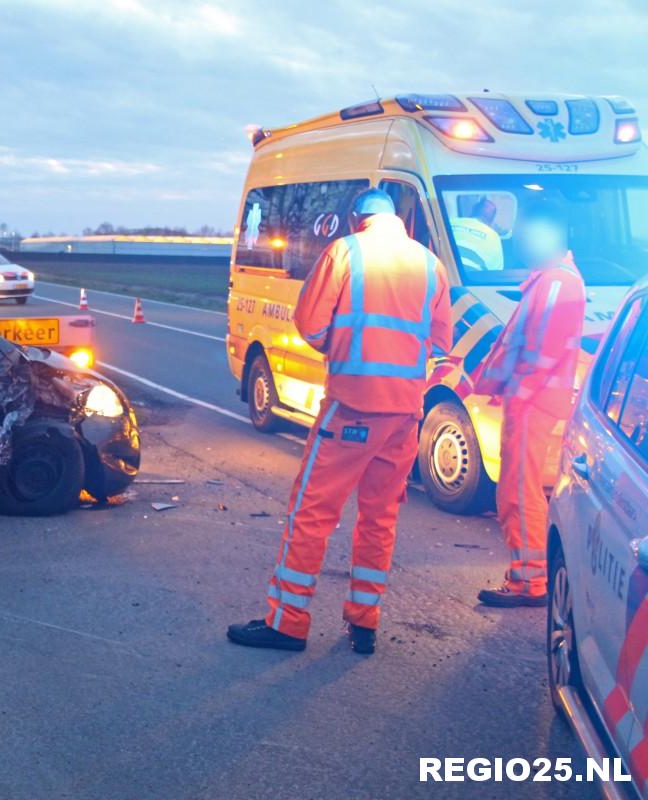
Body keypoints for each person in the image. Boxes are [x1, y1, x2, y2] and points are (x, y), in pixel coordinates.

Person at [227, 188, 452, 655]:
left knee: (312, 513)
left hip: (352, 407)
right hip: (404, 415)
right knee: (379, 518)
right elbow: (439, 341)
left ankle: (288, 621)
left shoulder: (345, 252)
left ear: (356, 218)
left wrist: (343, 348)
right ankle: (364, 622)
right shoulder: (430, 264)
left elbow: (309, 324)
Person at [474, 199, 585, 608]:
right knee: (518, 490)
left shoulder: (556, 281)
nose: (518, 239)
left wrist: (514, 389)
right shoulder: (552, 279)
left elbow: (539, 350)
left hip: (533, 401)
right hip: (532, 399)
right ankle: (527, 578)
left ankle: (529, 582)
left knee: (520, 492)